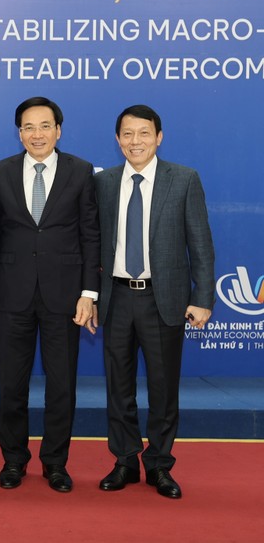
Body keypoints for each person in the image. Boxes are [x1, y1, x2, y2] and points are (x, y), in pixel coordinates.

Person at [94, 104, 214, 499]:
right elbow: (92, 244)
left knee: (163, 389)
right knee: (118, 387)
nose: (135, 142)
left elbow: (200, 244)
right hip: (115, 297)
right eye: (127, 134)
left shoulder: (183, 179)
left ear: (158, 137)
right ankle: (125, 460)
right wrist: (90, 295)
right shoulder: (104, 183)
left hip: (164, 300)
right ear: (117, 140)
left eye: (143, 133)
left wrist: (203, 297)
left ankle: (160, 465)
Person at [0, 96, 99, 493]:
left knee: (61, 385)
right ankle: (13, 461)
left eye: (45, 126)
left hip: (64, 297)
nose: (38, 134)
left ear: (58, 130)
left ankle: (55, 463)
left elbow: (90, 235)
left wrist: (88, 292)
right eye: (29, 127)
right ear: (20, 133)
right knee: (11, 386)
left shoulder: (81, 171)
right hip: (11, 296)